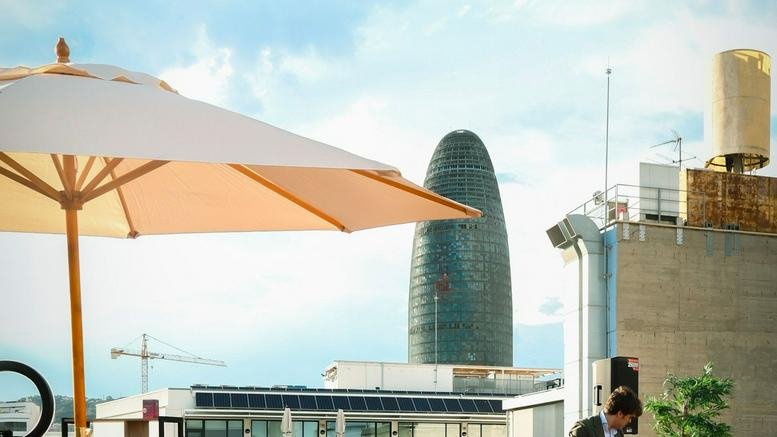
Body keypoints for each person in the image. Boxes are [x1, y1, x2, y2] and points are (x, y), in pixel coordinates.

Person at [568, 386, 642, 437]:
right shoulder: (583, 428)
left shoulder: (619, 433)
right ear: (620, 414)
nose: (630, 421)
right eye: (630, 417)